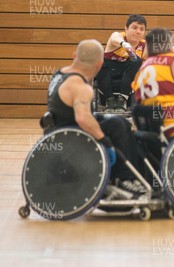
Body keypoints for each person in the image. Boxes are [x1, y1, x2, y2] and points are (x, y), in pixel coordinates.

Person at [43, 39, 146, 193]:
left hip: (57, 129)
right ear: (99, 65)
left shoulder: (59, 73)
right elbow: (83, 118)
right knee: (118, 126)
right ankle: (126, 178)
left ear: (74, 56)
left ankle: (123, 176)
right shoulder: (81, 86)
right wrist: (106, 142)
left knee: (118, 122)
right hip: (73, 136)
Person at [97, 14, 174, 113]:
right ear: (126, 29)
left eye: (142, 29)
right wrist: (125, 45)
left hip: (127, 80)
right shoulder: (118, 37)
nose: (138, 31)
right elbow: (114, 38)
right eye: (134, 28)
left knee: (137, 61)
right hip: (108, 76)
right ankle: (109, 100)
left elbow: (168, 49)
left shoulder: (143, 47)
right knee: (99, 60)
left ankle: (122, 100)